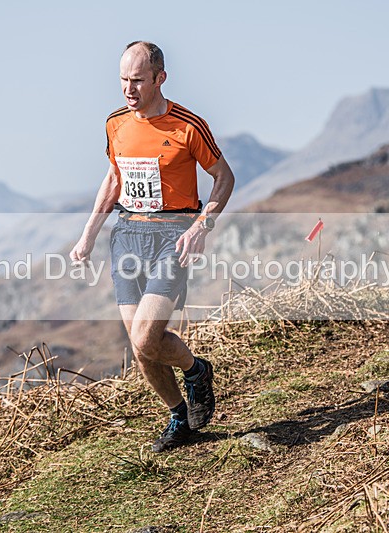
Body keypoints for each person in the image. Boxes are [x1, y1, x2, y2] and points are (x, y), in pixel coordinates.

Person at [69, 41, 235, 452]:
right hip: (127, 235)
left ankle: (196, 372)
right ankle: (179, 416)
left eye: (138, 80)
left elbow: (224, 178)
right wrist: (89, 233)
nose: (129, 89)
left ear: (160, 78)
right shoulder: (115, 123)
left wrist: (202, 226)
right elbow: (114, 179)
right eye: (124, 80)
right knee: (141, 348)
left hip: (173, 236)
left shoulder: (188, 126)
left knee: (146, 338)